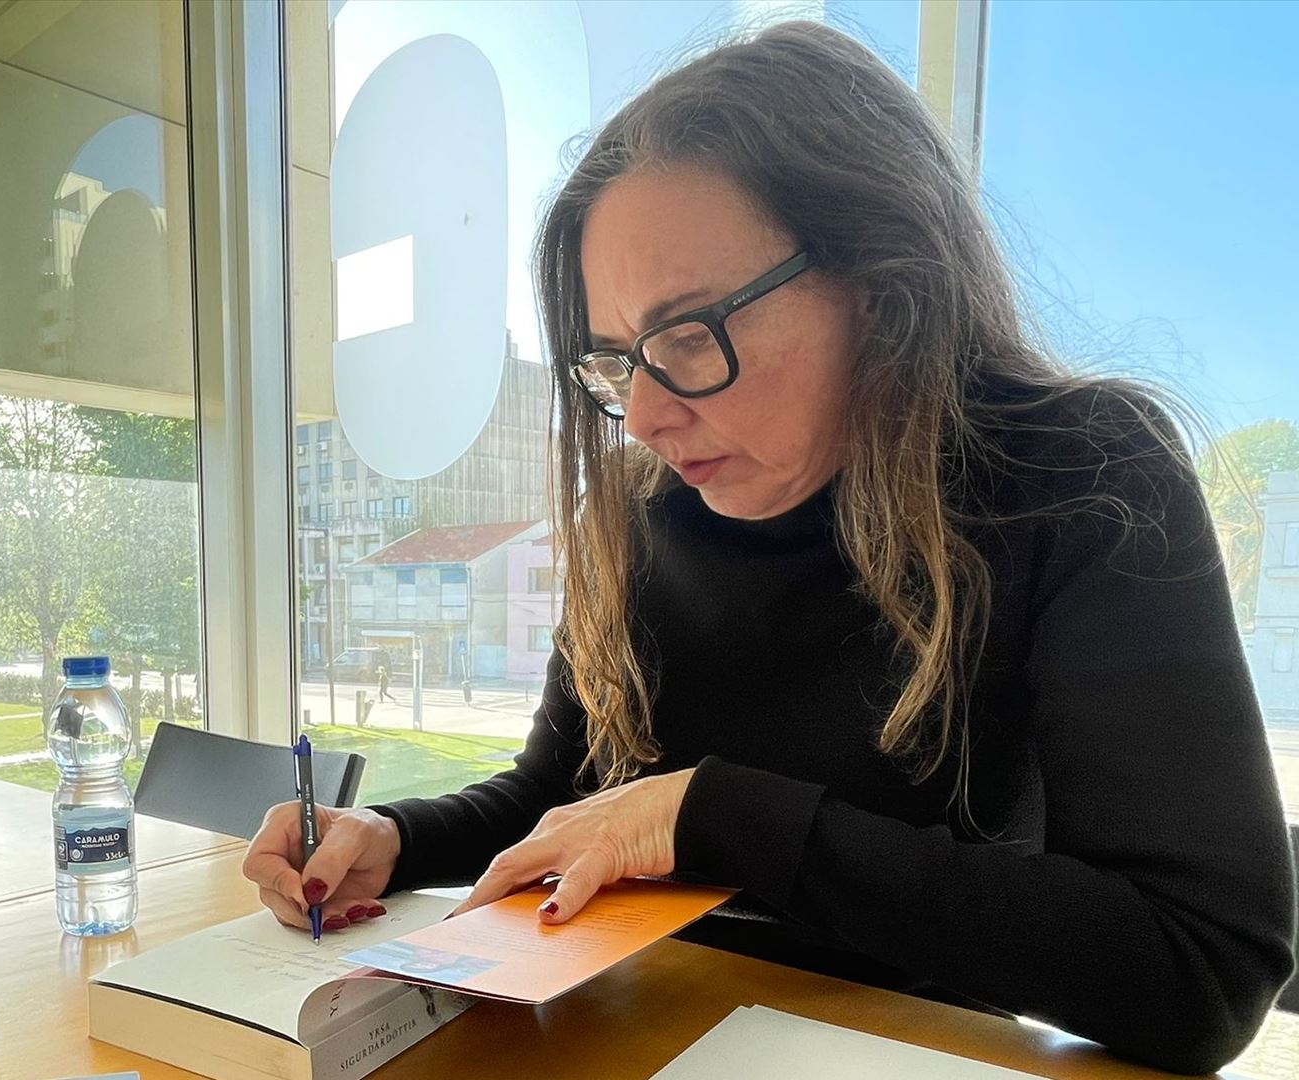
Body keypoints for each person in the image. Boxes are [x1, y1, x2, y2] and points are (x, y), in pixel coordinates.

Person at [243, 22, 1293, 1075]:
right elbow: (563, 797)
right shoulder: (644, 510)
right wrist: (395, 838)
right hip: (630, 1027)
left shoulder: (1078, 477)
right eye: (616, 361)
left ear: (880, 281)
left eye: (689, 335)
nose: (646, 416)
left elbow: (1203, 971)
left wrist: (712, 815)